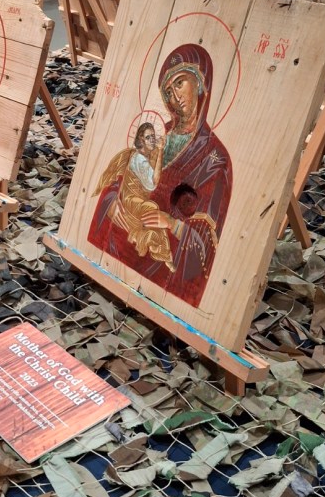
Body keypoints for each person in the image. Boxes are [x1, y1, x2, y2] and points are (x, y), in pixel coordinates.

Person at [88, 43, 232, 307]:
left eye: (180, 83)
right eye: (168, 91)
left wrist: (172, 223)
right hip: (129, 229)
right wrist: (111, 203)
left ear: (200, 84)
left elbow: (209, 240)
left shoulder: (216, 158)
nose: (174, 96)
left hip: (168, 254)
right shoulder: (155, 134)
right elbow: (123, 175)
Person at [92, 122, 175, 271]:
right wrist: (161, 151)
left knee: (154, 212)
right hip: (132, 201)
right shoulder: (139, 160)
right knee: (153, 209)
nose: (152, 140)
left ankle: (162, 252)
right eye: (148, 137)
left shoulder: (144, 157)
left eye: (153, 137)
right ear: (141, 140)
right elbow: (154, 183)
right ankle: (158, 250)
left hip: (138, 200)